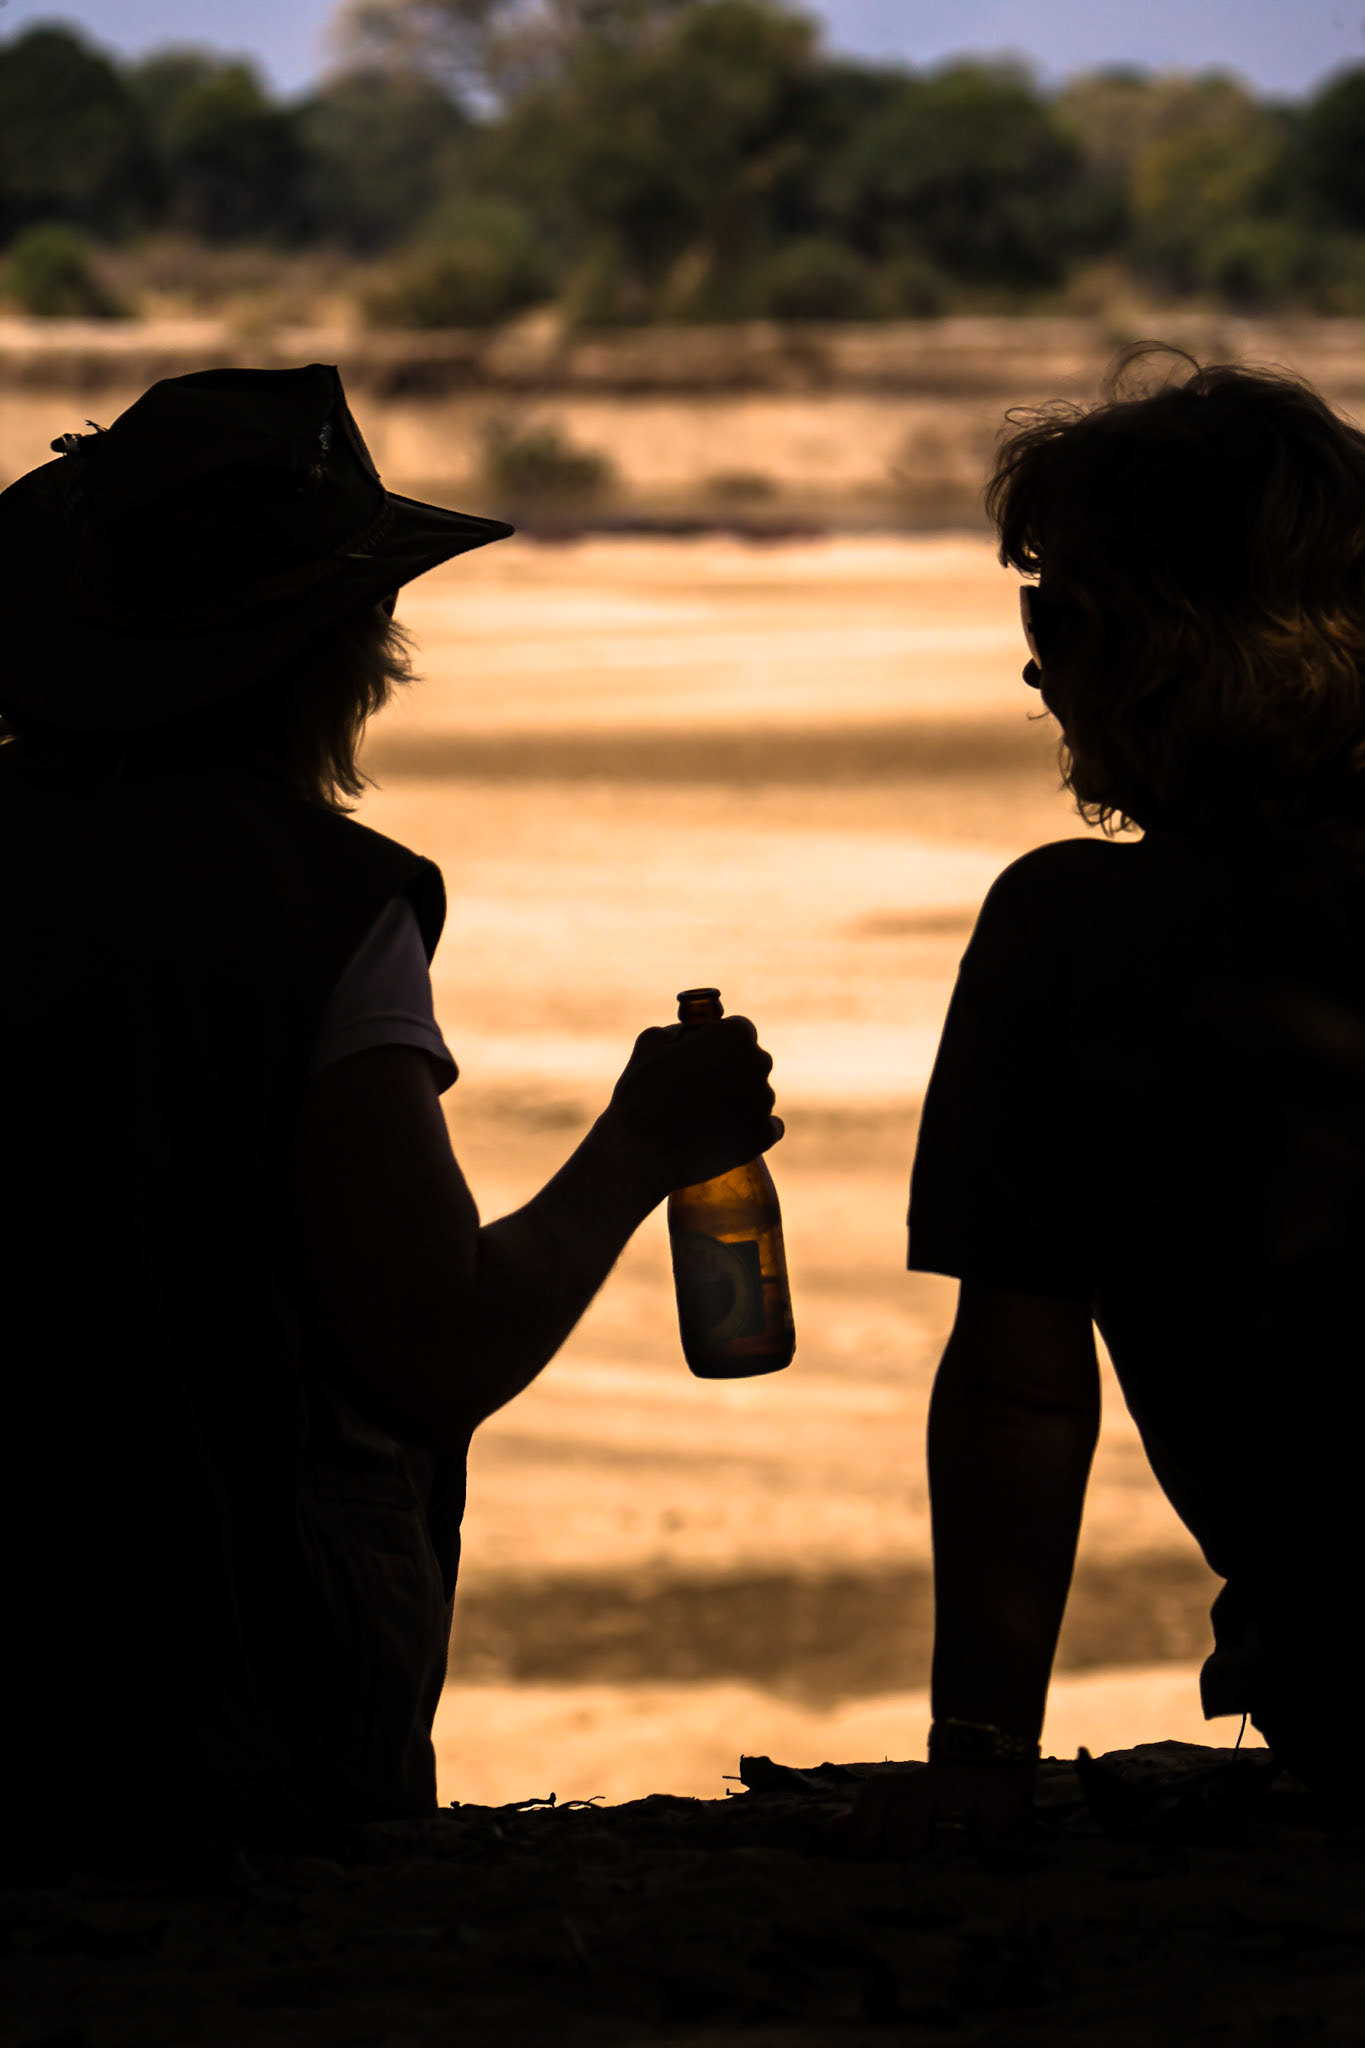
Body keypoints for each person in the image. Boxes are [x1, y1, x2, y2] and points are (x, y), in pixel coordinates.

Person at [0, 364, 780, 1863]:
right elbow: (430, 1350)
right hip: (211, 1685)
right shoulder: (309, 906)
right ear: (332, 653)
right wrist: (645, 1143)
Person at [841, 348, 1365, 1855]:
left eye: (1054, 614)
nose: (1030, 664)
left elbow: (1018, 1382)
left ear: (1165, 645)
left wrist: (982, 1757)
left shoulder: (1075, 932)